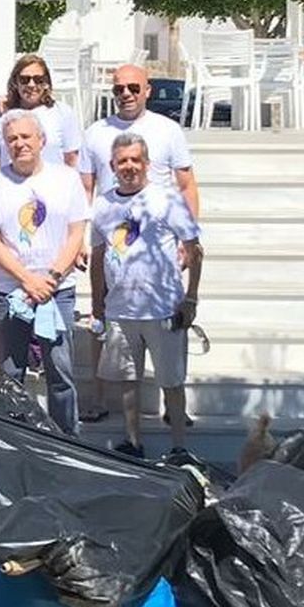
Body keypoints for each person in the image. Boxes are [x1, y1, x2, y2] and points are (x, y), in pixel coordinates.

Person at [91, 134, 204, 457]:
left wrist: (191, 298)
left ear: (147, 164)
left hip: (164, 307)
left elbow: (195, 250)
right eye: (122, 161)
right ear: (113, 166)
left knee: (171, 380)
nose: (128, 167)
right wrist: (97, 303)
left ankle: (179, 446)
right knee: (128, 381)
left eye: (135, 160)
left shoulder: (167, 199)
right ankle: (133, 441)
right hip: (120, 309)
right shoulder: (102, 205)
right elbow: (98, 257)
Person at [0, 111, 89, 434]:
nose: (19, 144)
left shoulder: (66, 179)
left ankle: (67, 441)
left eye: (26, 137)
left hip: (58, 290)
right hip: (11, 292)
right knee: (11, 374)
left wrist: (50, 279)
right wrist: (28, 280)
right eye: (12, 139)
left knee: (61, 374)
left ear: (42, 140)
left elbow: (76, 234)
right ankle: (16, 440)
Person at [81, 65, 200, 215]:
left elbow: (186, 186)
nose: (126, 94)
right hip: (110, 227)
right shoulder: (94, 133)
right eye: (119, 89)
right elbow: (85, 190)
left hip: (158, 229)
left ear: (147, 91)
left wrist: (189, 233)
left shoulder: (169, 130)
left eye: (133, 88)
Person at [0, 54, 81, 170]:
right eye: (24, 80)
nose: (31, 85)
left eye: (38, 80)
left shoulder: (63, 113)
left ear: (46, 83)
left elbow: (72, 159)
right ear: (15, 82)